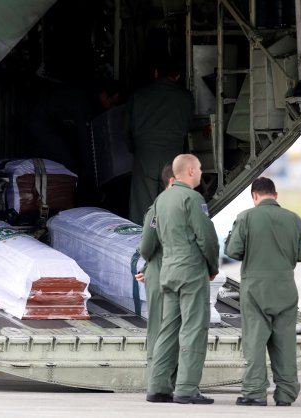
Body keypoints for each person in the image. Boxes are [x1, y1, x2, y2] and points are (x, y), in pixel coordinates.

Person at [224, 177, 301, 407]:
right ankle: (286, 394)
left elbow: (233, 250)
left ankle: (254, 393)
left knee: (255, 343)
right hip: (285, 288)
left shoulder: (246, 217)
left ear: (254, 196)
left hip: (256, 290)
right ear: (276, 195)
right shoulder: (294, 219)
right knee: (285, 344)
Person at [146, 154, 219, 404]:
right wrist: (212, 266)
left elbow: (150, 237)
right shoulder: (192, 198)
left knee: (168, 329)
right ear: (189, 171)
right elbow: (206, 237)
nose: (201, 172)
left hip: (168, 272)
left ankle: (157, 387)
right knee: (193, 328)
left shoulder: (160, 200)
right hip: (190, 272)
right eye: (198, 168)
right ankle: (186, 388)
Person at [126, 60, 194, 225]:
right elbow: (189, 127)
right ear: (177, 76)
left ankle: (141, 244)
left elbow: (127, 129)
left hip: (145, 156)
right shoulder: (185, 97)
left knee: (142, 208)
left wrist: (134, 149)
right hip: (173, 157)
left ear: (156, 73)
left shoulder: (139, 96)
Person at [135, 164, 174, 401]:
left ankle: (167, 380)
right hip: (164, 274)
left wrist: (147, 266)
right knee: (161, 328)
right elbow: (147, 247)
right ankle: (159, 381)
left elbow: (148, 248)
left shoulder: (163, 208)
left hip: (162, 273)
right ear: (172, 180)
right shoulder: (159, 209)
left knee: (165, 328)